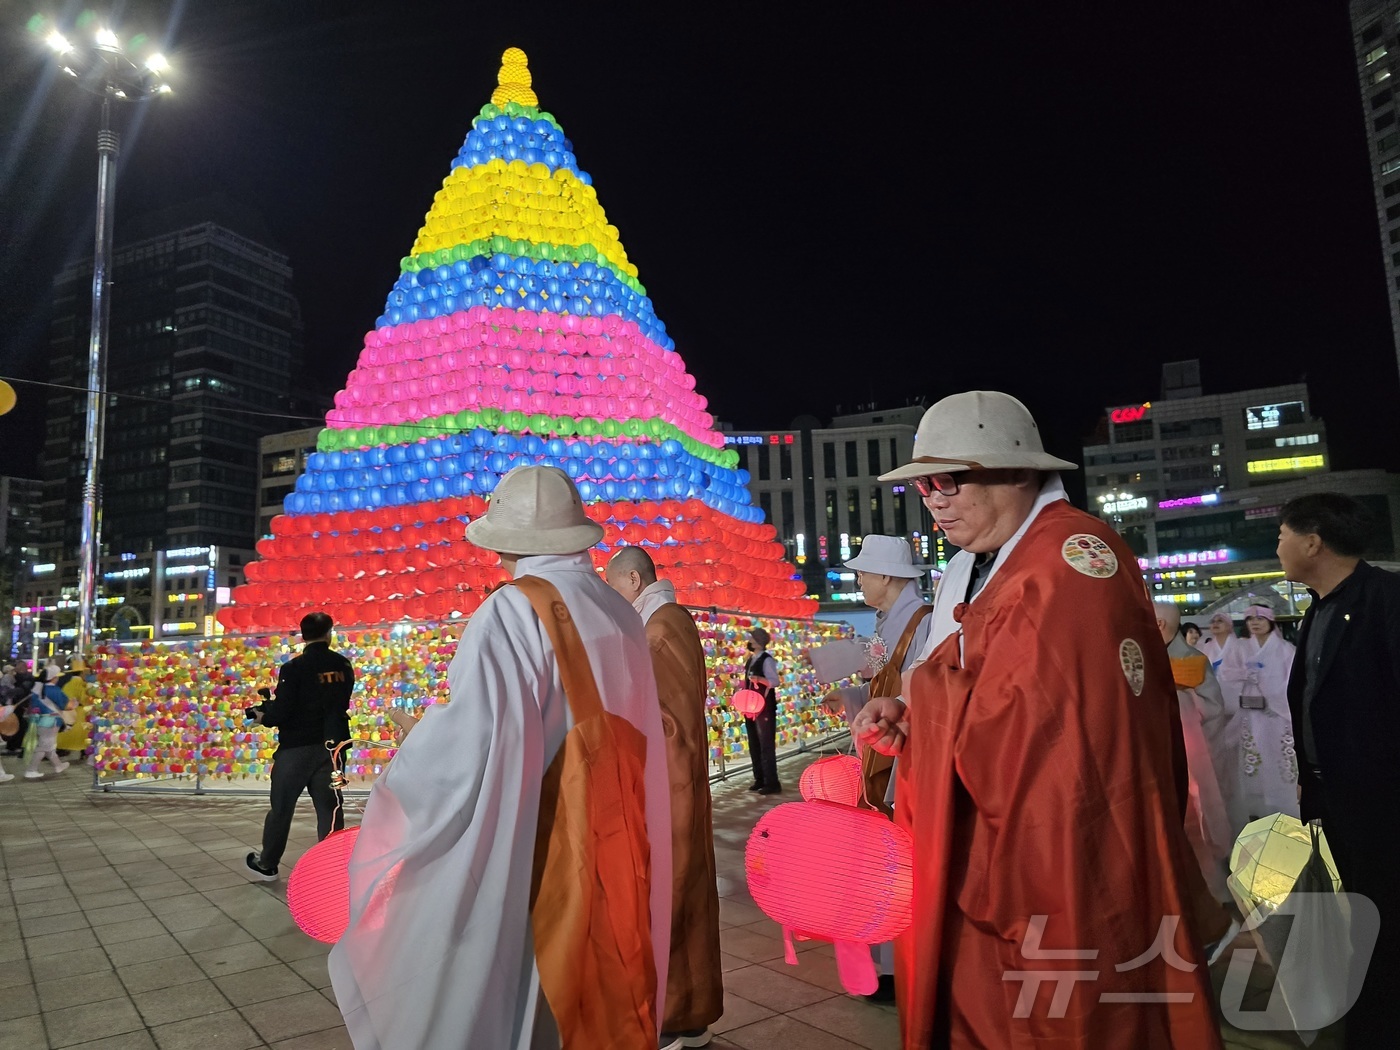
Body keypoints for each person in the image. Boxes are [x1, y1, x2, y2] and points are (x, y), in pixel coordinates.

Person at [852, 390, 1223, 1049]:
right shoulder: (990, 563)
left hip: (1061, 856)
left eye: (950, 480)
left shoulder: (1069, 562)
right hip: (1003, 845)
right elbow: (987, 687)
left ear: (1019, 471)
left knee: (1066, 1014)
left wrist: (933, 711)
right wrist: (911, 713)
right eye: (925, 485)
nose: (934, 499)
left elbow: (1044, 726)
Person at [329, 465, 671, 1050]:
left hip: (540, 841)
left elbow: (469, 748)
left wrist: (415, 742)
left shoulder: (511, 613)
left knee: (523, 990)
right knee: (602, 976)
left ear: (503, 543)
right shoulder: (619, 612)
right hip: (619, 838)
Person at [1278, 492, 1400, 1046]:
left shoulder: (1384, 600)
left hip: (1381, 799)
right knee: (1364, 917)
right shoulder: (1318, 608)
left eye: (1282, 536)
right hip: (1340, 800)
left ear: (1313, 542)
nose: (1277, 547)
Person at [605, 545, 723, 1050]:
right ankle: (683, 1014)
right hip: (673, 786)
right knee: (680, 897)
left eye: (613, 587)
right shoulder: (663, 623)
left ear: (633, 580)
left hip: (667, 789)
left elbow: (671, 728)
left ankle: (674, 1014)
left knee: (669, 898)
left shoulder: (661, 627)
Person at [244, 611, 355, 881]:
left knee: (281, 808)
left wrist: (263, 716)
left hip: (295, 748)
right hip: (332, 749)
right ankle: (333, 869)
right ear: (329, 632)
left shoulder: (293, 669)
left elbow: (282, 711)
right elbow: (340, 703)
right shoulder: (343, 666)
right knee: (330, 810)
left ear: (303, 635)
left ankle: (268, 863)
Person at [1155, 601, 1237, 903]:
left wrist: (1182, 700)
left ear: (1160, 625)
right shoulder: (1143, 656)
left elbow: (1215, 710)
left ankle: (1211, 895)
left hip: (1192, 760)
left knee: (1198, 823)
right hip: (1156, 758)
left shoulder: (1191, 661)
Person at [1220, 604, 1299, 823]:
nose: (1255, 623)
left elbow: (1291, 683)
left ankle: (1286, 803)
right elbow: (1226, 674)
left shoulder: (1285, 649)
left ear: (1270, 622)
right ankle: (1257, 806)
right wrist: (1244, 675)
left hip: (1276, 715)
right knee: (1253, 755)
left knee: (1279, 755)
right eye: (1250, 620)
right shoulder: (1241, 647)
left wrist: (1271, 697)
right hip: (1249, 715)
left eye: (1260, 619)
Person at [742, 626, 781, 794]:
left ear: (758, 641)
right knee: (754, 743)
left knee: (766, 744)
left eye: (752, 638)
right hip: (750, 706)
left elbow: (775, 682)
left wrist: (760, 679)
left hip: (764, 707)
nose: (749, 641)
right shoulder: (751, 659)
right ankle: (759, 778)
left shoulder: (767, 660)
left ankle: (771, 781)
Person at [23, 663, 71, 778]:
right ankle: (31, 770)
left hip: (39, 720)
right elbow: (64, 704)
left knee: (49, 745)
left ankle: (58, 765)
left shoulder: (37, 689)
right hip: (52, 720)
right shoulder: (55, 690)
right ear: (54, 677)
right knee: (44, 746)